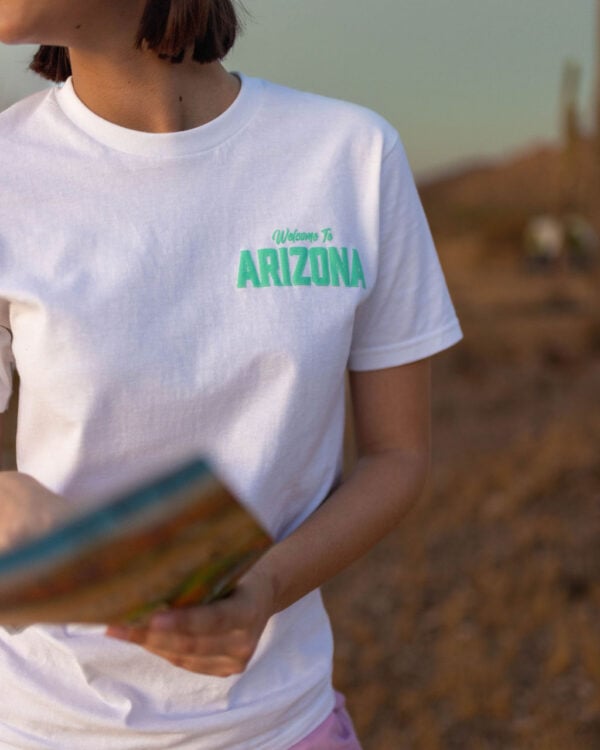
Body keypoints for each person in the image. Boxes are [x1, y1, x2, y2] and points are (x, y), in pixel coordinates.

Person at [0, 1, 462, 748]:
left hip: (280, 723)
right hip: (42, 725)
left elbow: (398, 455)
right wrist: (17, 505)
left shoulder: (350, 155)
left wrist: (266, 589)